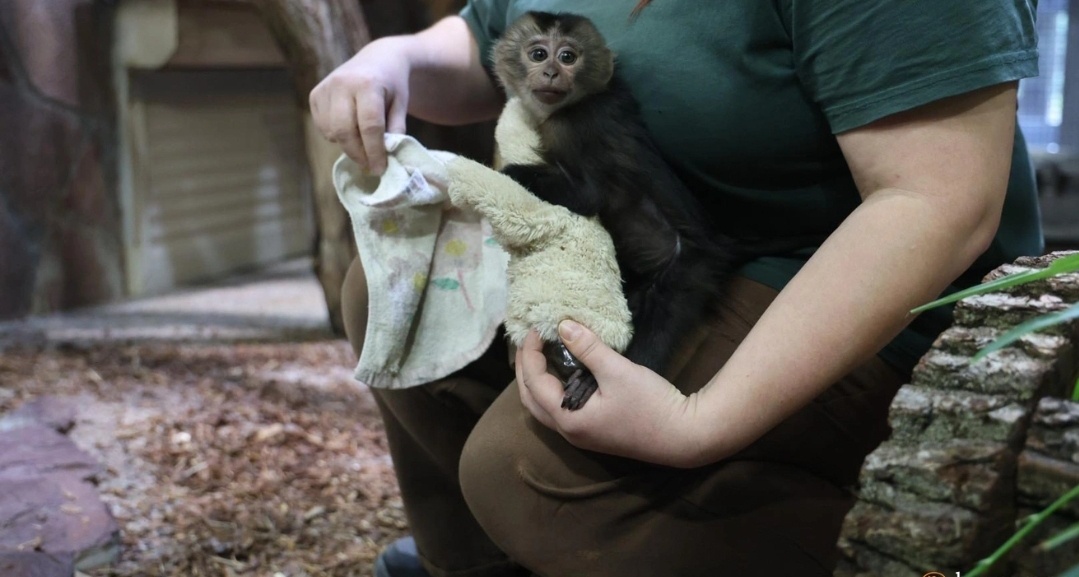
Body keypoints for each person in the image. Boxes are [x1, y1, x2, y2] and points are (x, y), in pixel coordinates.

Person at [311, 1, 1043, 576]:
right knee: (398, 292)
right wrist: (393, 60)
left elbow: (936, 200)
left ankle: (928, 561)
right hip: (641, 237)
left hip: (839, 271)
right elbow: (485, 35)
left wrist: (698, 421)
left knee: (530, 475)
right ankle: (488, 564)